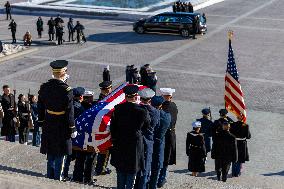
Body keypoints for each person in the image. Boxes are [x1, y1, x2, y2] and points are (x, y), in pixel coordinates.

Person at [38, 60, 77, 181]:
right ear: (63, 73)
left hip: (49, 122)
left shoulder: (44, 87)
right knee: (61, 152)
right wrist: (72, 128)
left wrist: (41, 122)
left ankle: (50, 176)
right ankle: (57, 179)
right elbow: (70, 112)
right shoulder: (67, 90)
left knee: (50, 151)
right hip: (62, 124)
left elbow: (40, 106)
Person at [110, 85, 150, 189]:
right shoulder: (142, 110)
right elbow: (147, 125)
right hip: (135, 143)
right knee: (132, 170)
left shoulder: (118, 108)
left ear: (125, 96)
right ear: (136, 96)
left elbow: (113, 127)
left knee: (121, 169)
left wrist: (115, 139)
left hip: (120, 142)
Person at [135, 88, 159, 189]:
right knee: (146, 167)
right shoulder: (155, 112)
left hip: (136, 140)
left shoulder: (136, 109)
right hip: (148, 140)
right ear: (150, 99)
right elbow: (156, 126)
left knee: (136, 166)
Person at [148, 96, 171, 189]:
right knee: (156, 169)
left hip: (148, 144)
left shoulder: (147, 114)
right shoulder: (167, 116)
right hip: (159, 144)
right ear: (161, 105)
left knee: (145, 169)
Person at [157, 88, 178, 188]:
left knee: (159, 156)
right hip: (171, 135)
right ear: (171, 96)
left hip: (161, 135)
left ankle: (157, 178)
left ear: (163, 96)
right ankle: (162, 178)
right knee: (166, 157)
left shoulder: (160, 108)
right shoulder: (174, 106)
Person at [95, 81, 113, 175]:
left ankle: (100, 167)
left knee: (102, 150)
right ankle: (101, 169)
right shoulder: (105, 101)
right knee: (105, 151)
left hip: (100, 128)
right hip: (104, 129)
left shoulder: (101, 98)